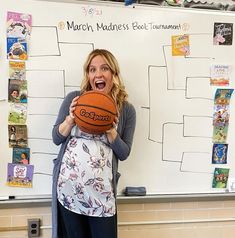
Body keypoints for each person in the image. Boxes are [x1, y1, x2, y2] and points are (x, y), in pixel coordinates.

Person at [52, 49, 136, 238]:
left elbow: (124, 153)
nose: (97, 74)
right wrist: (70, 119)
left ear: (113, 74)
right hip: (69, 189)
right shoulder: (75, 99)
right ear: (88, 75)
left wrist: (111, 130)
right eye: (92, 69)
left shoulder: (127, 109)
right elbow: (56, 138)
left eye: (104, 68)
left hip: (102, 195)